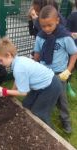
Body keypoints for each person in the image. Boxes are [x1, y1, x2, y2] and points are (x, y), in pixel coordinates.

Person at [0, 37, 62, 127]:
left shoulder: (19, 68)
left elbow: (23, 92)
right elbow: (18, 80)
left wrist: (4, 91)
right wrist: (11, 92)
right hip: (40, 86)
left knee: (39, 113)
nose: (0, 63)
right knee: (26, 105)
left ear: (8, 55)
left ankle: (53, 137)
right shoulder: (18, 61)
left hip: (50, 87)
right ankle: (30, 126)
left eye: (0, 60)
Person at [33, 5, 77, 133]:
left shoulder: (65, 37)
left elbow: (74, 53)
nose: (46, 29)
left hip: (59, 73)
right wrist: (34, 67)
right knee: (42, 94)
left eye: (49, 25)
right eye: (43, 26)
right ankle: (41, 116)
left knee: (61, 98)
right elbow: (37, 53)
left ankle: (66, 120)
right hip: (43, 71)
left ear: (57, 20)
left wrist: (68, 70)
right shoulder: (40, 36)